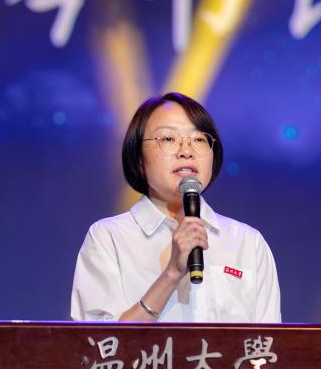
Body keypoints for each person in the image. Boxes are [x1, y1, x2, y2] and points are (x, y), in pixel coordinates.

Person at [71, 93, 281, 323]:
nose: (186, 151)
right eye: (168, 139)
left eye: (199, 139)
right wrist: (172, 273)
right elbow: (100, 342)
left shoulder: (247, 243)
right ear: (139, 159)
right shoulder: (109, 238)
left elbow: (268, 342)